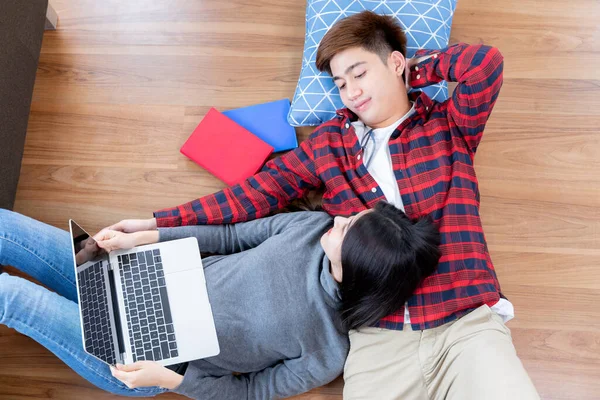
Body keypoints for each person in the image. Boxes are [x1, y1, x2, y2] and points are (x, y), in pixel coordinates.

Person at [101, 10, 540, 399]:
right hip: (379, 338)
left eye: (360, 73)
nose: (350, 91)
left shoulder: (447, 126)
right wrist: (157, 222)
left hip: (465, 318)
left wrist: (413, 73)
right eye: (340, 83)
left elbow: (485, 65)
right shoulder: (330, 142)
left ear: (396, 62)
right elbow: (256, 193)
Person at [0, 201, 440, 399]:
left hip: (142, 360)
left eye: (348, 228)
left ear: (358, 264)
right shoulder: (311, 227)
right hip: (134, 275)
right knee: (8, 228)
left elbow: (250, 393)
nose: (339, 218)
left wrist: (172, 379)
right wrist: (145, 237)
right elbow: (230, 236)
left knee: (11, 294)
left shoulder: (328, 349)